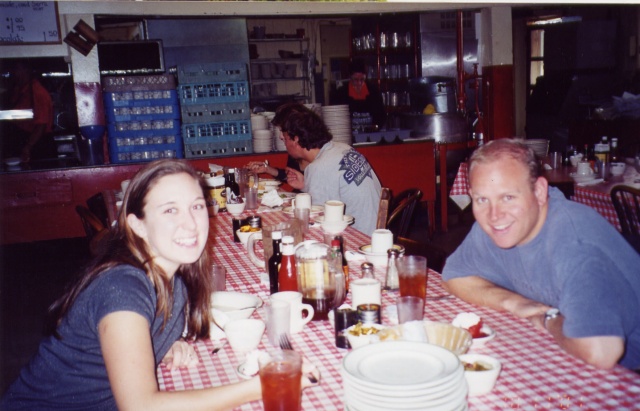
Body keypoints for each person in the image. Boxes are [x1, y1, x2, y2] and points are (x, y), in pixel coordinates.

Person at [1, 159, 319, 410]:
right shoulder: (122, 286)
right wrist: (263, 385)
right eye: (170, 210)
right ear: (136, 224)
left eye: (197, 206)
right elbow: (140, 406)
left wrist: (158, 346)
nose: (190, 223)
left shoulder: (176, 276)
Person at [442, 138, 640, 371]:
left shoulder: (573, 244)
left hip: (626, 376)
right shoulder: (495, 228)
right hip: (570, 359)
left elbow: (601, 352)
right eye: (482, 199)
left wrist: (547, 319)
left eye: (508, 197)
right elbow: (454, 276)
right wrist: (517, 303)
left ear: (539, 191)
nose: (494, 215)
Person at [271, 102, 382, 235]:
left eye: (284, 139)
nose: (285, 144)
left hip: (358, 238)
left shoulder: (319, 168)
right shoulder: (342, 148)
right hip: (376, 232)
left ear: (295, 139)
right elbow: (338, 189)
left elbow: (316, 222)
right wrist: (306, 185)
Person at [4, 60, 54, 163]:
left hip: (38, 145)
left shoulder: (38, 93)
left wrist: (27, 147)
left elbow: (41, 125)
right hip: (22, 140)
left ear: (26, 70)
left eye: (16, 69)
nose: (12, 72)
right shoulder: (18, 89)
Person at [333, 58, 386, 130]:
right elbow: (336, 118)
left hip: (371, 134)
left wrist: (375, 127)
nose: (359, 83)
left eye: (362, 79)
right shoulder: (340, 94)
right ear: (350, 77)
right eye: (356, 80)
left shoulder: (374, 92)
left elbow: (381, 116)